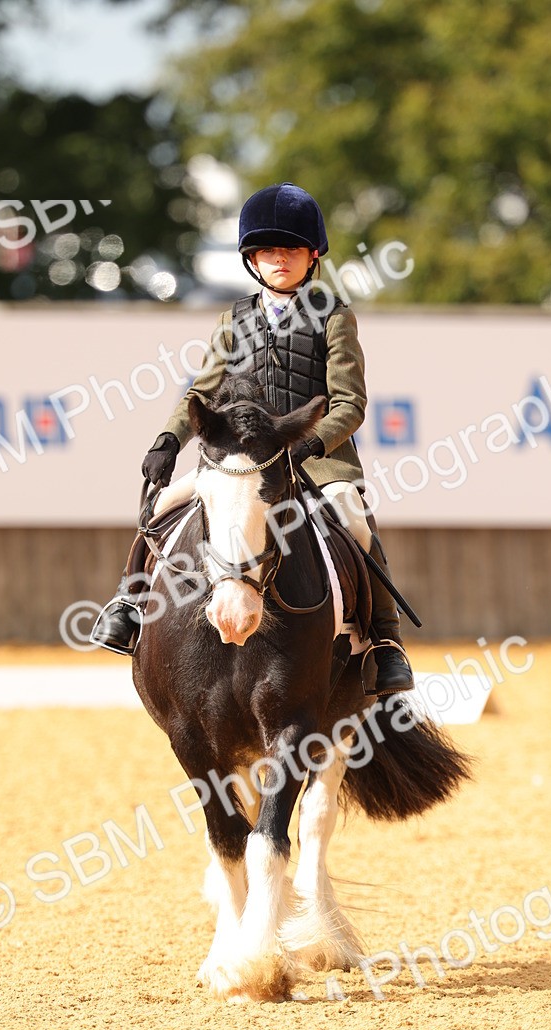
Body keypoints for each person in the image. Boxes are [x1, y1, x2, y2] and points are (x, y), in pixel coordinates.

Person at [91, 182, 414, 695]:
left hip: (316, 461)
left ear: (312, 256)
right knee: (162, 507)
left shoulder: (334, 316)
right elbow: (203, 391)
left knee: (353, 519)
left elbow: (350, 404)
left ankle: (384, 642)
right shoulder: (232, 320)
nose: (279, 259)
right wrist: (169, 440)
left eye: (290, 250)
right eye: (267, 251)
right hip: (240, 461)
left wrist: (310, 445)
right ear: (252, 260)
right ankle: (130, 602)